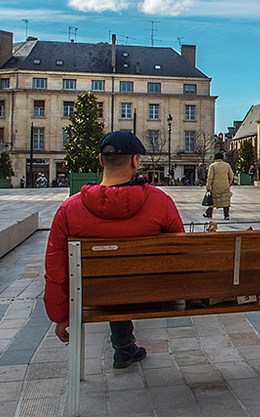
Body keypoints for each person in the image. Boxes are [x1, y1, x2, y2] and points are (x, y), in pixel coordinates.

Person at [44, 131, 184, 369]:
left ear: (100, 160)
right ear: (135, 161)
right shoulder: (161, 203)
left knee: (114, 285)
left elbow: (55, 267)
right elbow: (182, 252)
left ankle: (123, 347)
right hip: (154, 294)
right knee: (126, 282)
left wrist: (61, 315)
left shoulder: (70, 209)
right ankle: (125, 348)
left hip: (97, 296)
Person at [204, 151, 234, 219]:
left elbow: (210, 178)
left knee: (213, 201)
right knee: (225, 201)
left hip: (215, 186)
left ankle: (209, 213)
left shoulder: (213, 166)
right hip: (225, 186)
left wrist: (208, 187)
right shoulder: (227, 165)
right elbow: (231, 175)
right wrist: (228, 184)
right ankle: (226, 215)